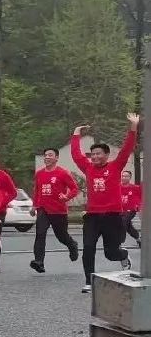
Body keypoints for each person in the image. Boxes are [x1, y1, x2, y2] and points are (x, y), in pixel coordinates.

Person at [73, 114, 139, 293]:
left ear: (106, 155)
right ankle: (89, 281)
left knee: (111, 253)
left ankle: (123, 255)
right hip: (92, 216)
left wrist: (133, 127)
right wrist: (76, 134)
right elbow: (76, 155)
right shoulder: (88, 168)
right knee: (88, 248)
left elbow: (126, 149)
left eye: (98, 154)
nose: (94, 157)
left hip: (112, 216)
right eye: (92, 154)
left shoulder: (115, 167)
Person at [29, 147, 80, 272]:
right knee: (40, 233)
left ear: (56, 158)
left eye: (50, 155)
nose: (47, 157)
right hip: (43, 209)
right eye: (45, 155)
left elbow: (75, 189)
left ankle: (72, 245)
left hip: (58, 210)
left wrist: (66, 197)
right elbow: (37, 191)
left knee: (61, 236)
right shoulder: (39, 173)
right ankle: (39, 261)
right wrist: (34, 205)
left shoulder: (62, 173)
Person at [121, 170, 142, 247]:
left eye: (126, 176)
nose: (124, 178)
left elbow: (141, 197)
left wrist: (139, 206)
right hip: (120, 210)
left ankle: (119, 242)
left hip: (130, 210)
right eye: (123, 176)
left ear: (130, 177)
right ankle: (138, 239)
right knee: (128, 227)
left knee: (123, 222)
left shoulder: (135, 188)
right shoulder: (117, 187)